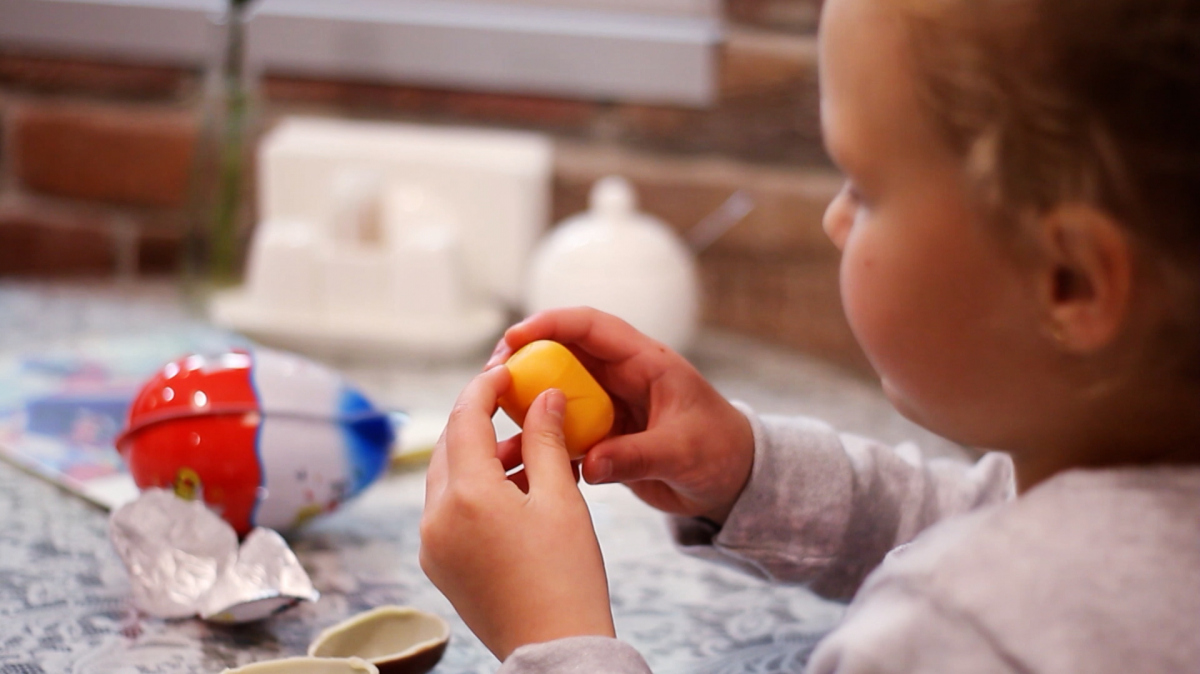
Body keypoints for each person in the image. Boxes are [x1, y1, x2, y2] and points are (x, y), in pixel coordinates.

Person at [418, 0, 1200, 670]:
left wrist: (557, 635)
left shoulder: (957, 634)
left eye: (864, 185)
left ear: (1071, 282)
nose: (835, 220)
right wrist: (748, 472)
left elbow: (982, 574)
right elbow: (979, 513)